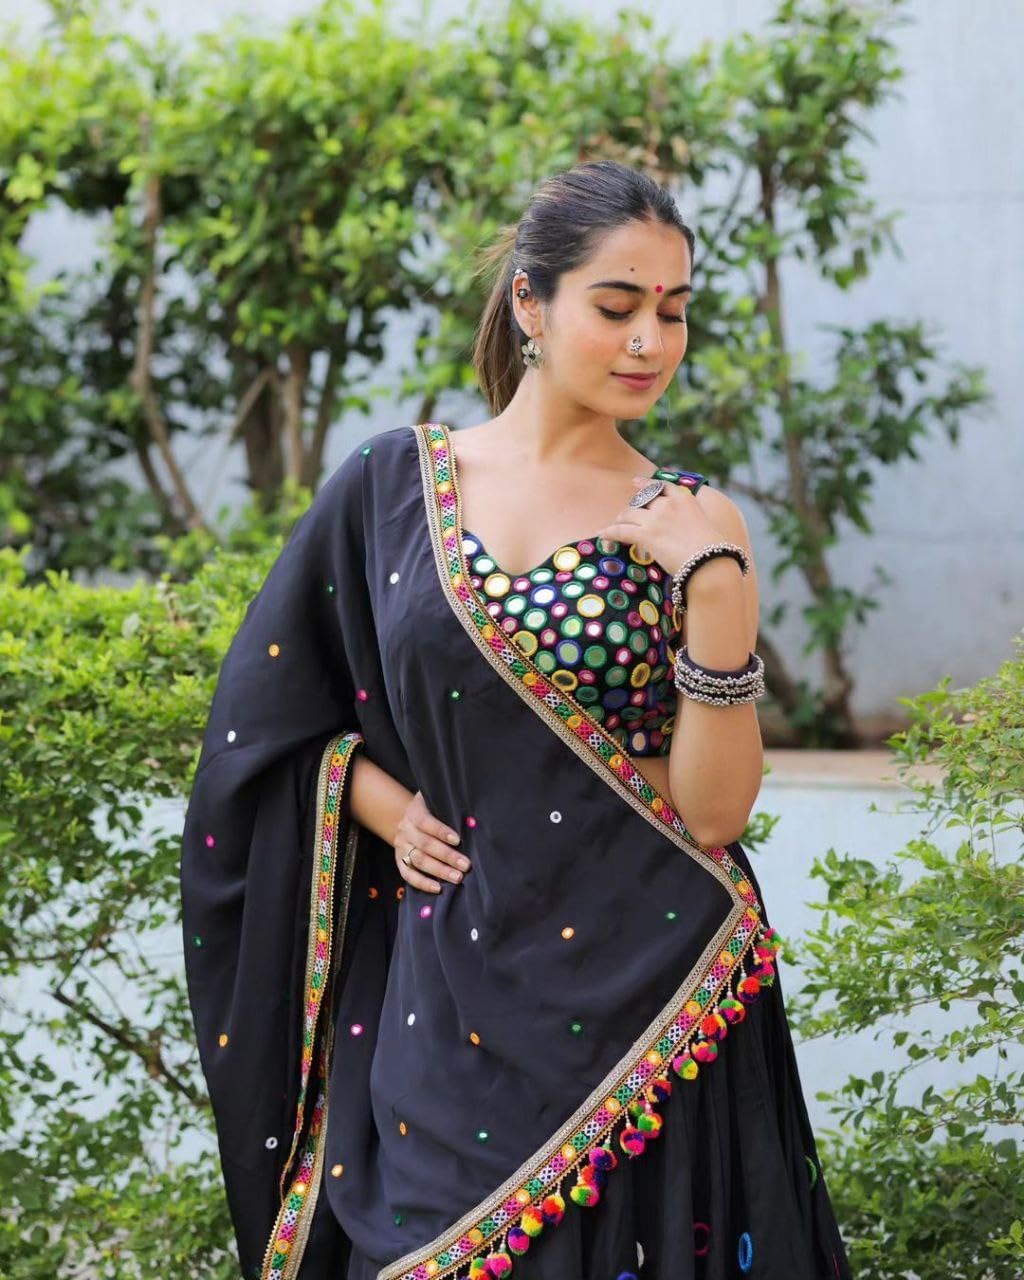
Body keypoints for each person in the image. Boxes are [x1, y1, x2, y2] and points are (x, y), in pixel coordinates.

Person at [180, 159, 852, 1280]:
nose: (650, 341)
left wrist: (716, 586)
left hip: (653, 987)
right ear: (530, 304)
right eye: (617, 306)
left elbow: (713, 810)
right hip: (447, 987)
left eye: (673, 312)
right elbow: (269, 725)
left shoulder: (691, 520)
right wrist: (382, 805)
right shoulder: (392, 488)